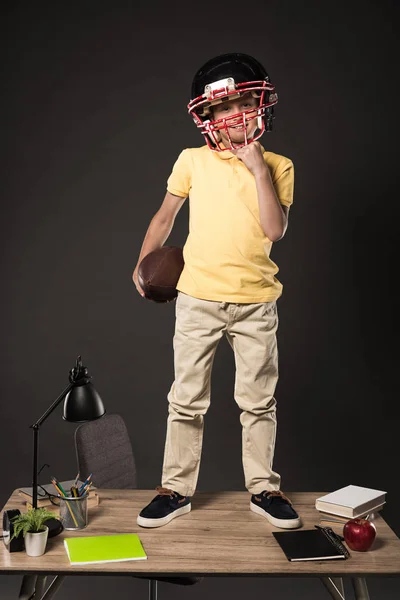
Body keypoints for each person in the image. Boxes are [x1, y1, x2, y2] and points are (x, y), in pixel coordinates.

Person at [132, 53, 301, 530]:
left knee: (258, 401)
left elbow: (274, 229)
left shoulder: (278, 165)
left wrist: (257, 170)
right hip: (198, 299)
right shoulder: (192, 161)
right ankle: (176, 490)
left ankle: (264, 489)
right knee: (185, 399)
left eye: (246, 102)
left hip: (256, 303)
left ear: (261, 107)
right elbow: (165, 217)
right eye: (225, 108)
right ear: (207, 118)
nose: (237, 114)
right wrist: (143, 264)